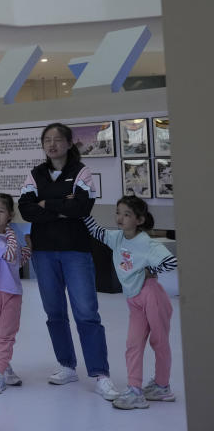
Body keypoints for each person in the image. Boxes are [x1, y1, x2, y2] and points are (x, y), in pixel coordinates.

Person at [18, 122, 120, 400]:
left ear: (68, 143)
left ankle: (100, 373)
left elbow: (81, 207)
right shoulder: (35, 174)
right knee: (55, 313)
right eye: (47, 140)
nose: (52, 144)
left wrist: (45, 204)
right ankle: (66, 365)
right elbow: (26, 211)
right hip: (44, 253)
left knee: (86, 313)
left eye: (57, 139)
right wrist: (61, 206)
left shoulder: (82, 172)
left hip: (76, 251)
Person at [83, 197, 178, 409]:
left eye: (126, 214)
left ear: (139, 219)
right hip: (133, 300)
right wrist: (82, 212)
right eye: (118, 212)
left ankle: (163, 386)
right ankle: (135, 389)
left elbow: (171, 262)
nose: (120, 218)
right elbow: (97, 232)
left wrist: (150, 270)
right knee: (133, 344)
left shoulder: (147, 243)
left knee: (159, 342)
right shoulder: (117, 238)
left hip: (153, 296)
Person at [0, 193, 32, 394]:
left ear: (10, 214)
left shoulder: (11, 238)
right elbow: (9, 254)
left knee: (6, 335)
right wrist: (12, 233)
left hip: (12, 293)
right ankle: (3, 367)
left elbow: (19, 260)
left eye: (1, 211)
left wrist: (28, 245)